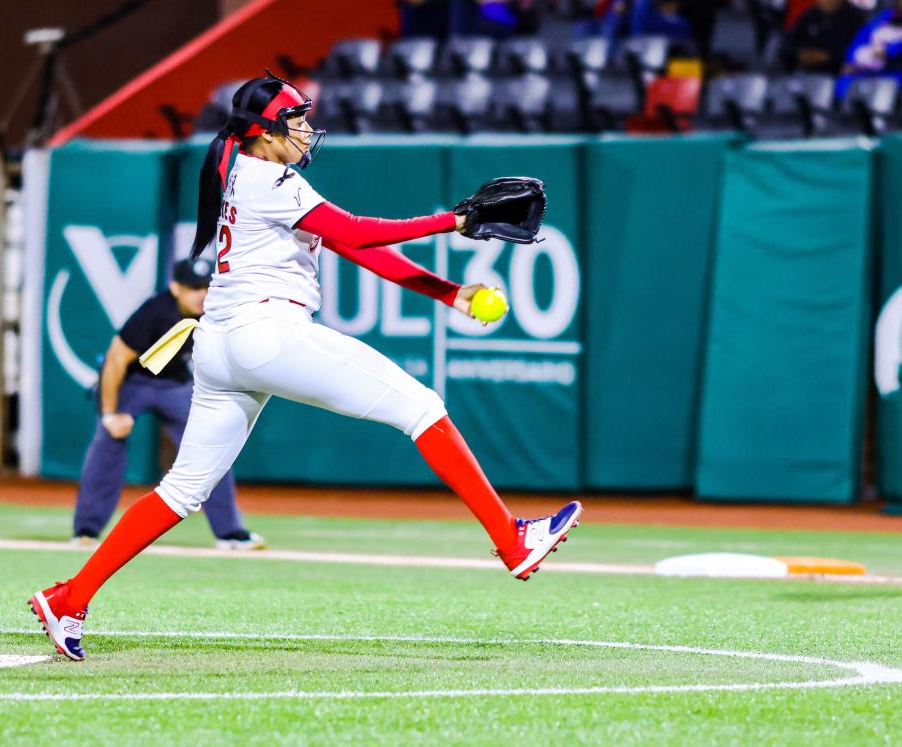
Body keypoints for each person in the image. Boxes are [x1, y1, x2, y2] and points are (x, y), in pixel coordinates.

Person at [30, 72, 583, 661]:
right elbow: (356, 232)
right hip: (267, 334)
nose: (304, 131)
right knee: (422, 408)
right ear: (264, 133)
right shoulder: (269, 177)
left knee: (180, 491)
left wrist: (448, 293)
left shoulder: (238, 169)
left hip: (219, 346)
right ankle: (511, 538)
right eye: (293, 121)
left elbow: (348, 245)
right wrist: (452, 221)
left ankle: (70, 596)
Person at [71, 258, 265, 551]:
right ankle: (86, 529)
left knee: (213, 442)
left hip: (175, 384)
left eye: (206, 287)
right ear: (175, 287)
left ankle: (229, 533)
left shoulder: (216, 311)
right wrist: (110, 414)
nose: (202, 294)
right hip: (133, 383)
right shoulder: (154, 312)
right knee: (108, 439)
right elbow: (115, 361)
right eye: (193, 287)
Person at [780, 0, 867, 75]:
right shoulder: (810, 15)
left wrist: (827, 57)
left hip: (835, 74)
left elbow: (858, 53)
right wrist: (800, 54)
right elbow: (787, 45)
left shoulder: (855, 19)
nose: (828, 1)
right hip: (801, 72)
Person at [838, 0, 902, 97]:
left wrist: (889, 51)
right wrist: (850, 61)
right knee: (844, 83)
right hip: (864, 71)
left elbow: (892, 51)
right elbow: (861, 38)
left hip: (892, 76)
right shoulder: (885, 17)